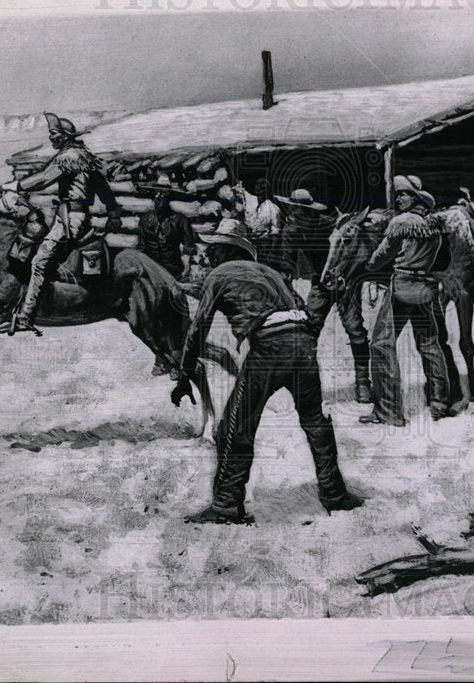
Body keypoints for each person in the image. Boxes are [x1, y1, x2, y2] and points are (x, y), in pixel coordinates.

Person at [171, 218, 363, 524]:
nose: (209, 256)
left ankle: (225, 505)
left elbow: (198, 328)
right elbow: (306, 316)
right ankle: (335, 494)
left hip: (269, 348)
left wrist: (183, 375)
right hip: (302, 341)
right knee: (315, 421)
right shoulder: (273, 274)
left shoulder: (219, 274)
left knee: (236, 424)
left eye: (214, 250)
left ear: (223, 251)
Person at [0, 112, 122, 335]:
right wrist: (113, 212)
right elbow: (102, 187)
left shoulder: (69, 156)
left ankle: (26, 317)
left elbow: (44, 178)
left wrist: (14, 186)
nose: (51, 138)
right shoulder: (82, 155)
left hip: (70, 219)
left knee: (39, 261)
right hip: (73, 215)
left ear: (65, 136)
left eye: (54, 134)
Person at [359, 176, 453, 425]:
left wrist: (368, 265)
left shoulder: (400, 223)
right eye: (399, 194)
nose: (399, 198)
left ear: (416, 198)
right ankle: (439, 403)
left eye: (404, 194)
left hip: (401, 287)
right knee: (430, 344)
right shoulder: (433, 226)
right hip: (424, 287)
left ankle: (389, 412)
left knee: (381, 344)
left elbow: (382, 255)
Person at [276, 188, 373, 403]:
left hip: (345, 282)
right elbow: (286, 264)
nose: (294, 212)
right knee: (309, 331)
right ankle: (306, 386)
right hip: (320, 283)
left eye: (299, 209)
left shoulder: (330, 224)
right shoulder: (292, 230)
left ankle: (363, 383)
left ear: (308, 211)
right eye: (293, 208)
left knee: (355, 329)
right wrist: (288, 291)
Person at [136, 184, 196, 281]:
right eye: (157, 196)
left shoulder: (180, 219)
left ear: (169, 200)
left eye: (164, 196)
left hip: (173, 267)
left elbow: (188, 246)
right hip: (151, 267)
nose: (160, 198)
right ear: (154, 199)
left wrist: (186, 267)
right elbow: (141, 246)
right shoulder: (145, 219)